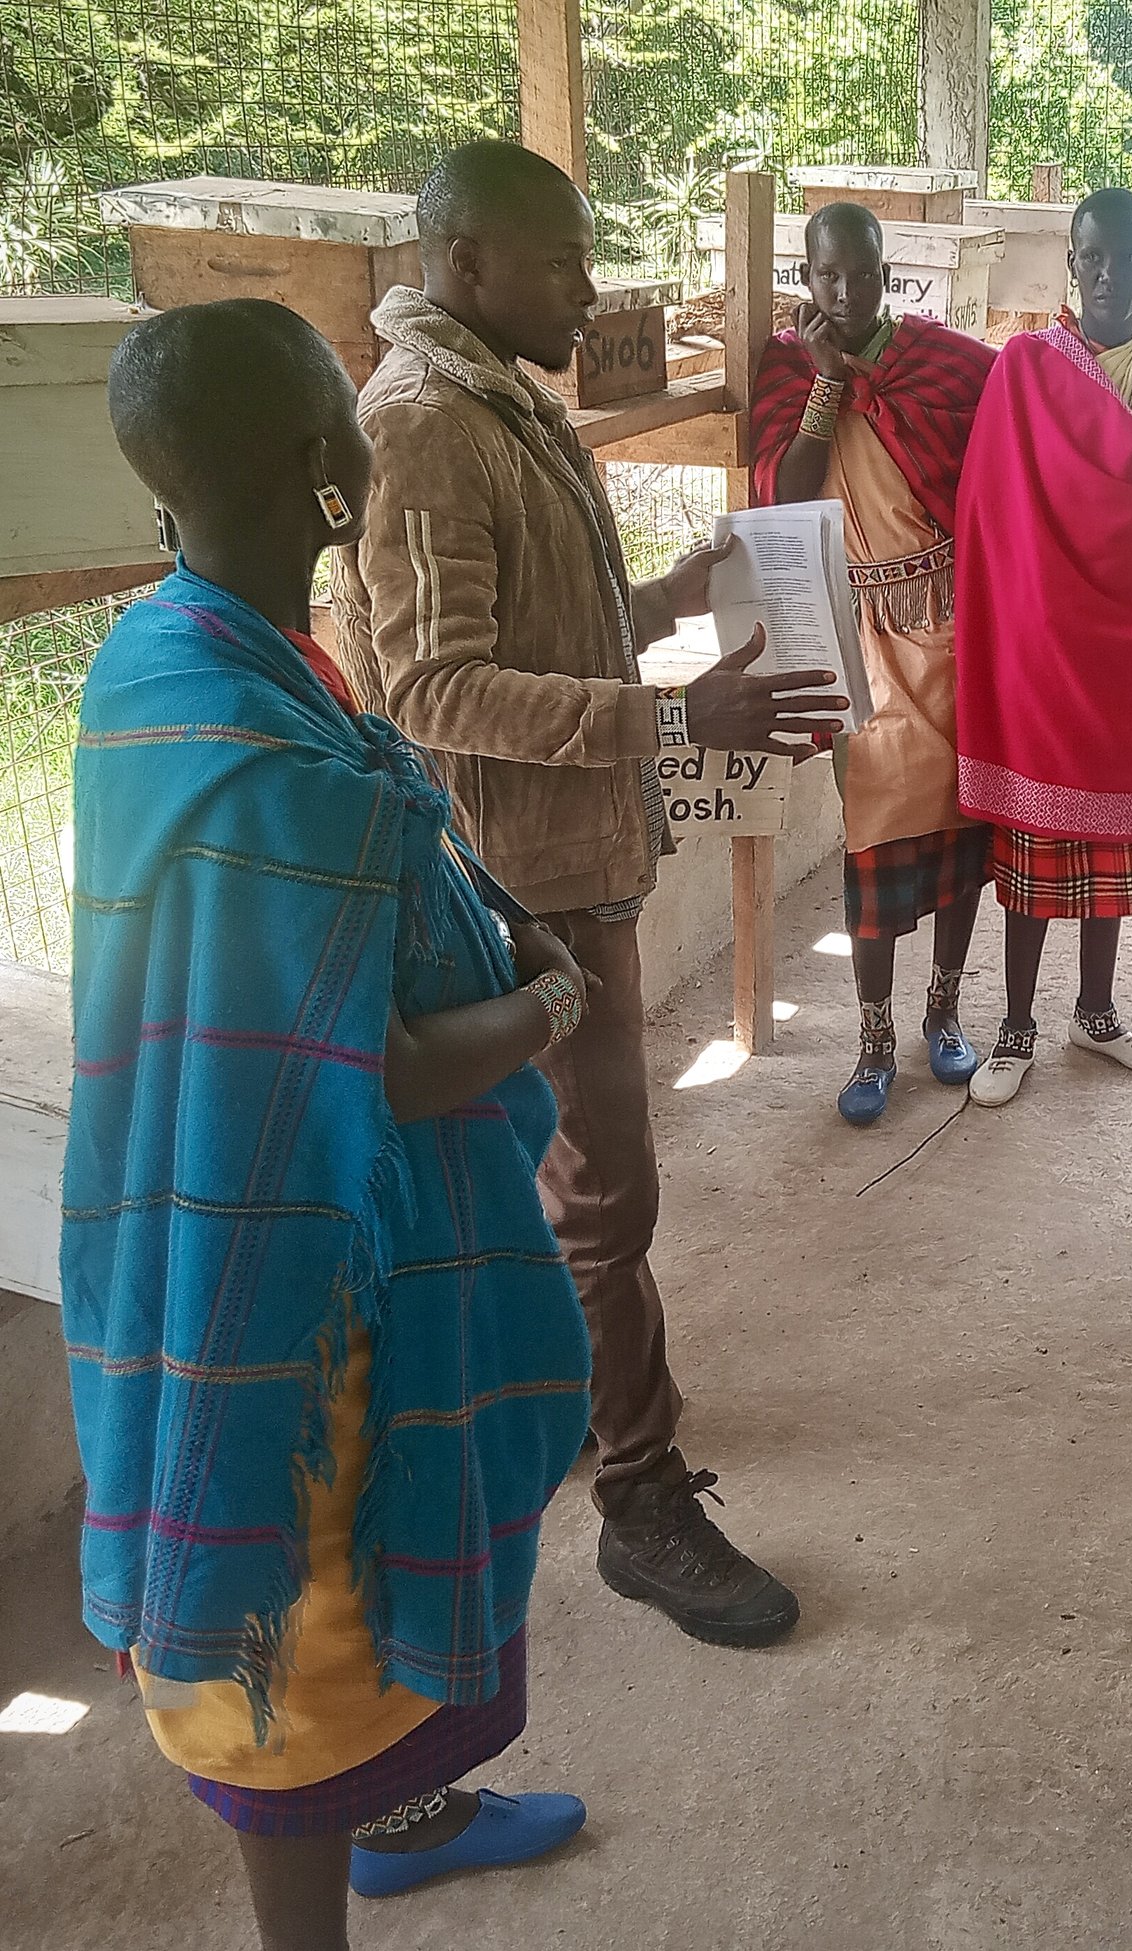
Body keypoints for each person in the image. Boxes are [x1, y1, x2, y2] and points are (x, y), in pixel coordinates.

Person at [65, 299, 593, 1948]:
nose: (367, 436)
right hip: (290, 1282)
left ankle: (411, 1816)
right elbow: (376, 1069)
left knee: (359, 1623)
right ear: (321, 471)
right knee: (304, 1638)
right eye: (344, 419)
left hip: (227, 1216)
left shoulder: (173, 661)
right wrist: (552, 1008)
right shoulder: (249, 756)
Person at [332, 140, 844, 1648]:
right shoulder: (424, 425)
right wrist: (682, 715)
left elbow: (538, 626)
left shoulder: (498, 401)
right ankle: (640, 1496)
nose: (591, 283)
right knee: (607, 1188)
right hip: (526, 885)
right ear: (466, 263)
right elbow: (433, 685)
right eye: (560, 258)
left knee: (561, 1181)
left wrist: (674, 602)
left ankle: (567, 1406)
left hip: (568, 859)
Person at [952, 186, 1132, 1107]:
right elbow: (992, 513)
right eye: (1092, 256)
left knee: (1110, 844)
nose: (1109, 273)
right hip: (1043, 652)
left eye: (1128, 256)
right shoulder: (1023, 368)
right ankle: (1017, 1023)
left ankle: (1095, 1012)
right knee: (1036, 849)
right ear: (1071, 262)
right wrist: (1014, 626)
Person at [750, 200, 998, 1126]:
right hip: (862, 642)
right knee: (875, 849)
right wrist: (826, 381)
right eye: (827, 275)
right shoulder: (787, 368)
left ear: (886, 272)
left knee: (963, 842)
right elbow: (788, 488)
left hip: (949, 628)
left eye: (862, 273)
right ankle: (873, 1039)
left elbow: (994, 449)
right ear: (806, 279)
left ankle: (943, 1012)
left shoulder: (933, 360)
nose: (846, 291)